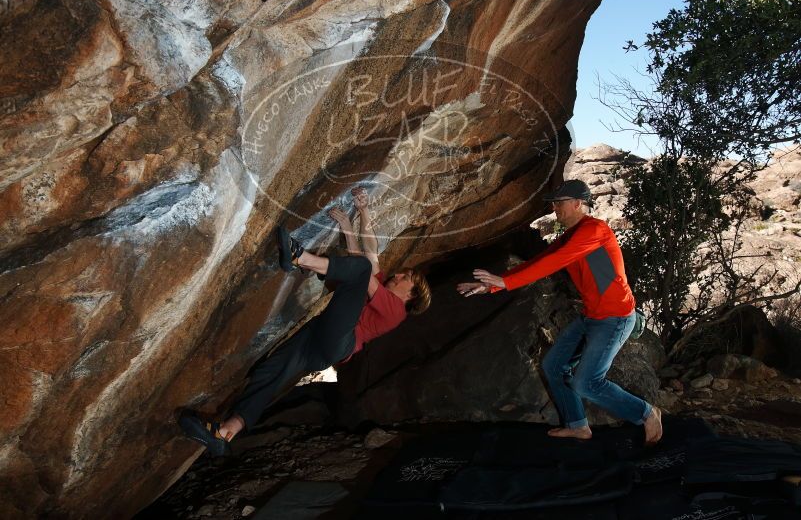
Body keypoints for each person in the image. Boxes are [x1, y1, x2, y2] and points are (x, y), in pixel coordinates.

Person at [180, 187, 432, 456]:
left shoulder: (397, 311)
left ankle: (299, 257)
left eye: (406, 277)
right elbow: (370, 252)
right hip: (320, 342)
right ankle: (224, 433)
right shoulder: (381, 288)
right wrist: (358, 213)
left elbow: (364, 268)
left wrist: (354, 229)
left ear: (411, 294)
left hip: (340, 342)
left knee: (361, 271)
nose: (399, 275)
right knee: (270, 373)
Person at [457, 179, 663, 444]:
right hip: (592, 316)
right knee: (554, 366)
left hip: (614, 318)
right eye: (554, 203)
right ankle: (578, 425)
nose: (555, 208)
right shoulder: (572, 236)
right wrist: (494, 286)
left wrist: (505, 283)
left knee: (586, 382)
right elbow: (540, 261)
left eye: (559, 202)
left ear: (578, 204)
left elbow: (554, 262)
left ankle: (647, 413)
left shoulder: (595, 230)